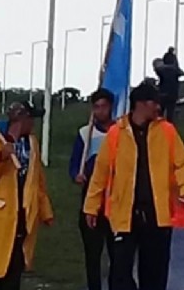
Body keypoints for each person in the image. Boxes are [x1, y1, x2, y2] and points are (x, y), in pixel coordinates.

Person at [83, 83, 184, 290]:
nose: (158, 107)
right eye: (154, 102)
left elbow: (183, 164)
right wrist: (92, 207)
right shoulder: (116, 134)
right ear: (141, 104)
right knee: (120, 275)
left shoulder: (167, 131)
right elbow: (100, 173)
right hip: (124, 215)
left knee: (154, 276)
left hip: (157, 216)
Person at [0, 101, 54, 290]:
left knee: (16, 265)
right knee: (3, 270)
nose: (33, 123)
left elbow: (37, 180)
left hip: (23, 215)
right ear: (21, 119)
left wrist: (45, 211)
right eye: (30, 118)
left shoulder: (32, 142)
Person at [69, 89, 117, 290]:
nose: (100, 111)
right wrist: (76, 175)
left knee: (118, 254)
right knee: (92, 254)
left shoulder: (120, 132)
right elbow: (74, 164)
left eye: (103, 106)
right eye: (96, 107)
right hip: (91, 198)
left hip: (115, 199)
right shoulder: (84, 133)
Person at [153, 56, 184, 123]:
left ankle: (159, 128)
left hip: (163, 94)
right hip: (173, 94)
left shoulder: (161, 70)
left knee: (160, 113)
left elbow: (158, 71)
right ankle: (169, 128)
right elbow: (182, 73)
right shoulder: (174, 69)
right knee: (170, 114)